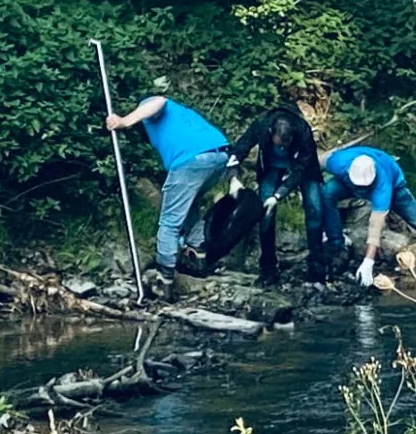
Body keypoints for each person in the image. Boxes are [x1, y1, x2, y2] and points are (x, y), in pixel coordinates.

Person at [106, 96, 229, 291]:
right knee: (190, 204)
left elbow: (159, 102)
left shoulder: (153, 106)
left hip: (191, 159)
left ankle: (165, 278)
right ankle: (196, 254)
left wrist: (124, 121)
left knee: (170, 221)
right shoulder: (182, 115)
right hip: (219, 156)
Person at [225, 104, 338, 284]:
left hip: (303, 169)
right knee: (265, 215)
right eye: (280, 144)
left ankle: (317, 265)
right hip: (271, 167)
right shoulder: (262, 124)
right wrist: (233, 176)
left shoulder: (303, 131)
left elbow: (301, 169)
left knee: (314, 210)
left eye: (287, 144)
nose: (283, 148)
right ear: (271, 133)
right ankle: (268, 268)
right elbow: (241, 147)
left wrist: (278, 195)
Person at [322, 146, 416, 287]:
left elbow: (375, 226)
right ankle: (336, 243)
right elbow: (311, 162)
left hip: (396, 189)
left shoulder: (383, 185)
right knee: (327, 193)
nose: (362, 190)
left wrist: (368, 261)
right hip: (347, 184)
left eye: (365, 187)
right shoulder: (337, 162)